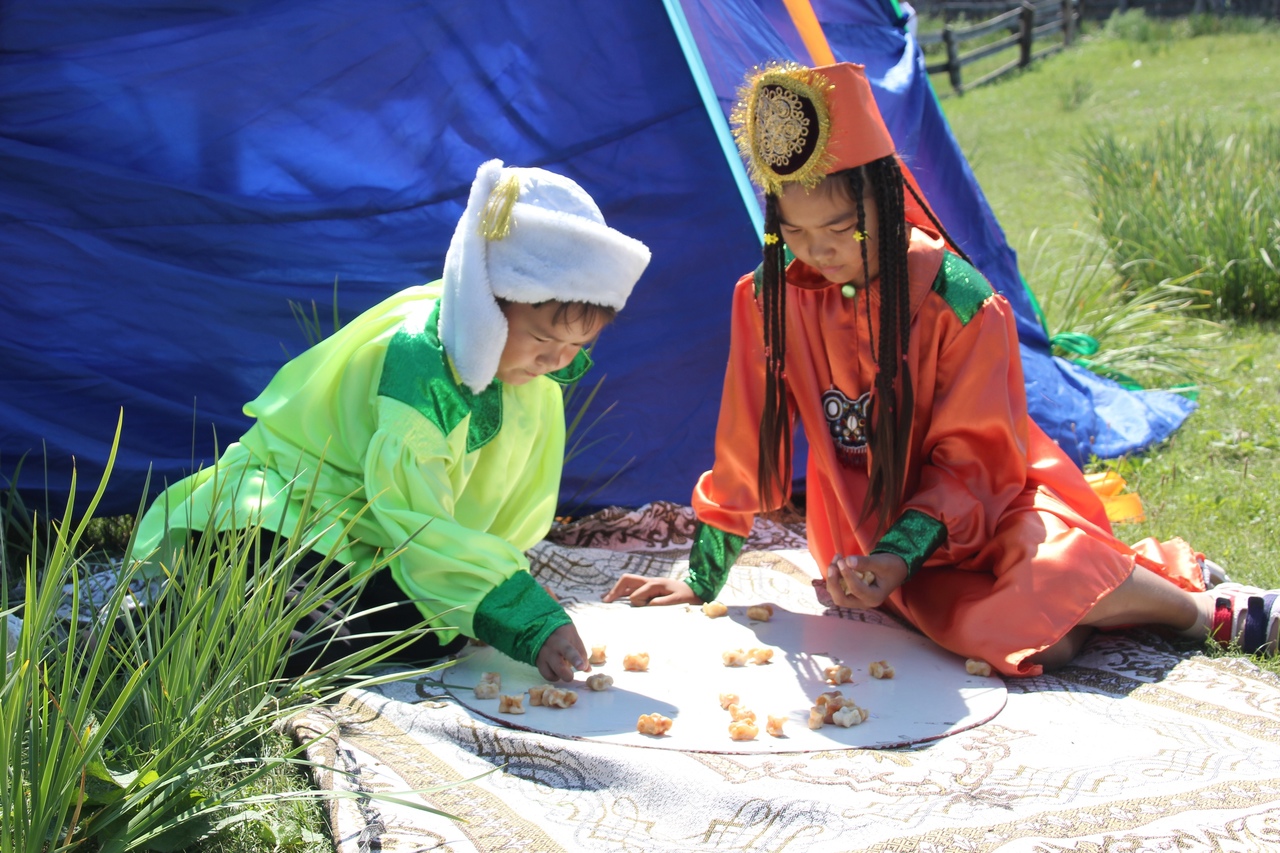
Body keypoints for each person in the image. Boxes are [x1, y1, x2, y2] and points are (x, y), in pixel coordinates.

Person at [603, 61, 1275, 674]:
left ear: (886, 200)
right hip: (873, 539)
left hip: (992, 504)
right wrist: (701, 575)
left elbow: (975, 465)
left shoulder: (963, 305)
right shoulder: (769, 298)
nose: (818, 253)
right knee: (1015, 636)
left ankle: (1202, 612)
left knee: (1058, 567)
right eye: (798, 233)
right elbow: (746, 442)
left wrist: (900, 553)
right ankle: (1101, 597)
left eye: (839, 231)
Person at [134, 159, 651, 680]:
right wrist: (511, 607)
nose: (558, 360)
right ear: (488, 302)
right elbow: (410, 513)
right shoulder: (422, 361)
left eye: (579, 345)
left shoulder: (522, 370)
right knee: (301, 638)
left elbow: (484, 508)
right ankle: (163, 631)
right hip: (294, 518)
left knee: (426, 639)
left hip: (380, 541)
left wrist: (485, 593)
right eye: (543, 339)